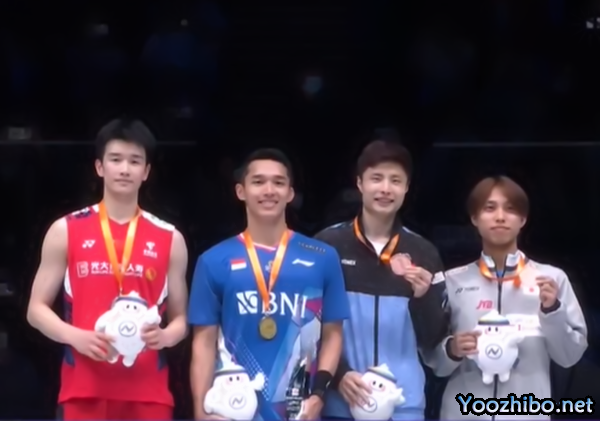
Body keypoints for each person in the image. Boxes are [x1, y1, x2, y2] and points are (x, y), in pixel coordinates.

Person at [26, 118, 189, 420]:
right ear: (99, 167)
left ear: (146, 172)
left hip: (148, 392)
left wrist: (166, 336)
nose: (125, 169)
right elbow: (35, 310)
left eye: (134, 161)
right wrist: (76, 336)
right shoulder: (65, 230)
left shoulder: (170, 238)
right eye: (115, 159)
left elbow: (181, 320)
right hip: (83, 390)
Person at [188, 148, 350, 420]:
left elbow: (333, 334)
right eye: (258, 182)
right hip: (231, 410)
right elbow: (203, 344)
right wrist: (200, 413)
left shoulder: (322, 257)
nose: (269, 190)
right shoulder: (213, 260)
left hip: (297, 411)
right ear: (240, 191)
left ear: (290, 193)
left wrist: (318, 396)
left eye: (278, 182)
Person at [423, 175, 587, 419]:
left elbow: (569, 357)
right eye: (490, 208)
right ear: (474, 218)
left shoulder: (552, 279)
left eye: (510, 209)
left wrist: (552, 310)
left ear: (523, 219)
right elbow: (432, 359)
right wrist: (451, 349)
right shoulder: (452, 281)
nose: (500, 217)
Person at [315, 139, 448, 421]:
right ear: (360, 183)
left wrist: (423, 298)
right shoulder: (327, 246)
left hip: (403, 406)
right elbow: (307, 328)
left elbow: (433, 340)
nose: (386, 188)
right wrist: (338, 375)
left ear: (406, 188)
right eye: (376, 178)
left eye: (395, 181)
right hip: (340, 405)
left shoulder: (424, 252)